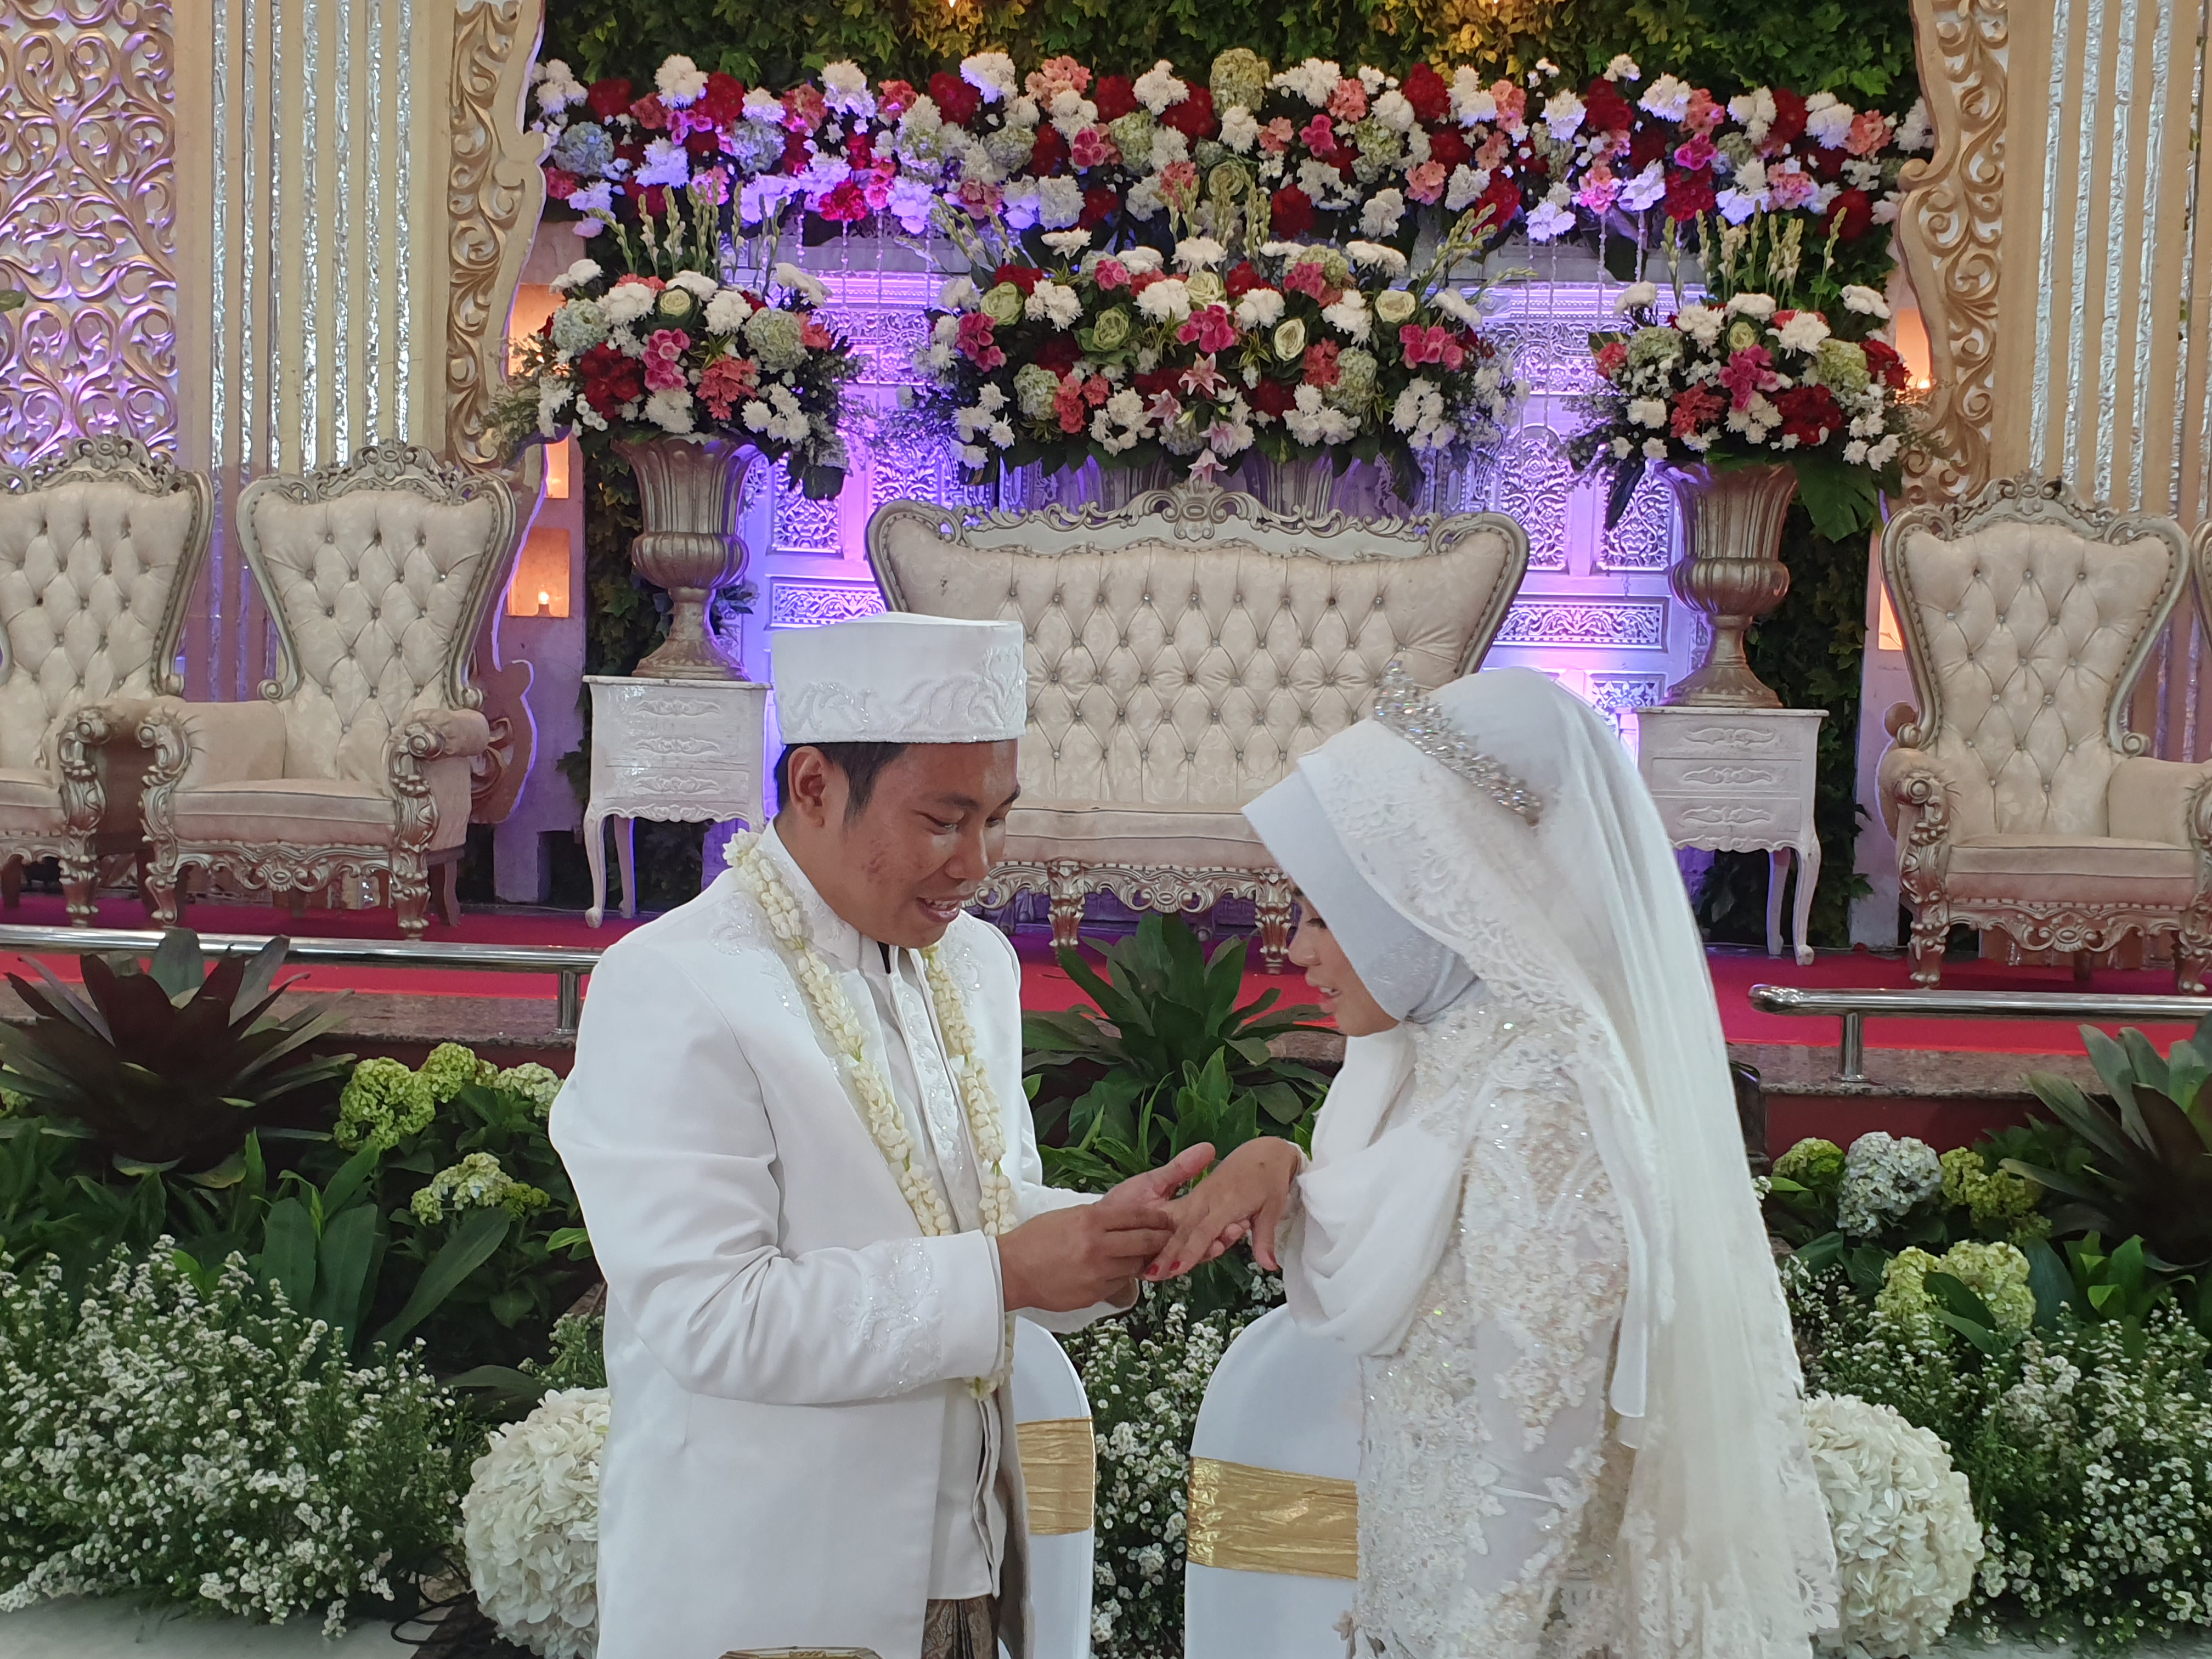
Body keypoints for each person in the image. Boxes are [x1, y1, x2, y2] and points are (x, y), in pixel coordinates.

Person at [552, 613, 1212, 1659]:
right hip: (776, 1580)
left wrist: (1113, 1236)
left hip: (971, 1561)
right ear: (814, 785)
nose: (977, 863)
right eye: (944, 821)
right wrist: (1004, 1274)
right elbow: (714, 1317)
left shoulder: (975, 964)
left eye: (998, 818)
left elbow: (987, 1208)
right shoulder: (672, 984)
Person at [1158, 665, 1839, 1659]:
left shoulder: (1542, 1099)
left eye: (1324, 913)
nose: (1297, 952)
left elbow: (1537, 1466)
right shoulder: (1428, 1053)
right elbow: (1421, 1251)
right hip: (1412, 1605)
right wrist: (1281, 1169)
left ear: (1425, 891)